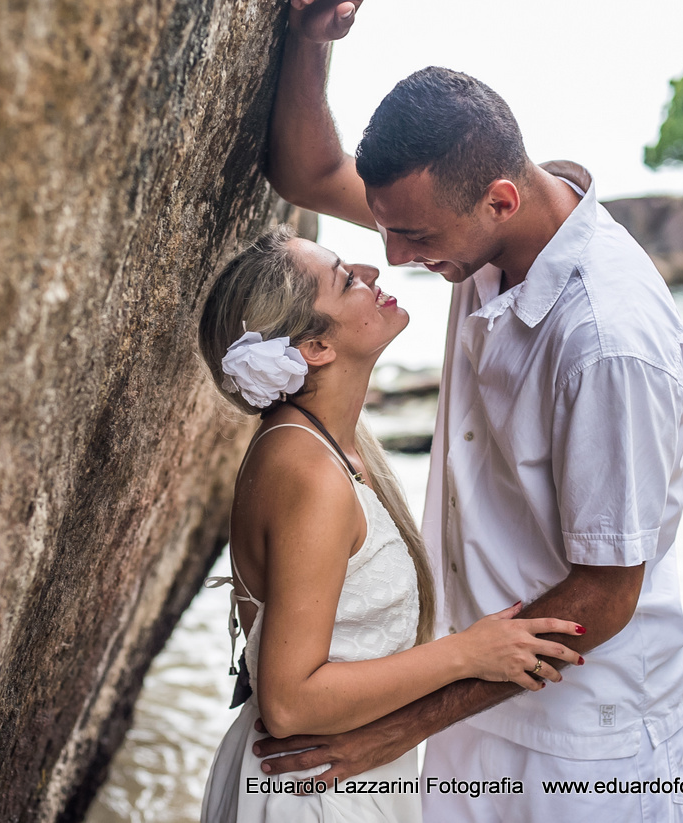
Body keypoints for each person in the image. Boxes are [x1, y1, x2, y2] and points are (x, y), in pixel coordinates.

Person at [252, 0, 683, 822]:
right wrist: (312, 39)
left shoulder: (607, 341)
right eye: (387, 227)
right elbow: (309, 172)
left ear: (500, 199)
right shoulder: (480, 230)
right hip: (471, 704)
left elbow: (606, 594)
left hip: (582, 745)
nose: (394, 257)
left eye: (414, 235)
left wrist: (392, 730)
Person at [195, 225, 584, 822]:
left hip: (338, 775)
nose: (372, 273)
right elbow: (290, 703)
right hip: (310, 791)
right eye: (346, 280)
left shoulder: (331, 446)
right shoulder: (310, 472)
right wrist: (468, 654)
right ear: (314, 347)